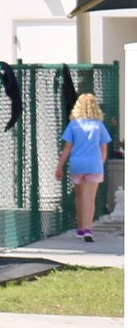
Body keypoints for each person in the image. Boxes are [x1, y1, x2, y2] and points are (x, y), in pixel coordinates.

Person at [59, 92, 115, 241]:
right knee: (90, 198)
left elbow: (67, 148)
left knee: (80, 197)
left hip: (77, 164)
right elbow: (104, 149)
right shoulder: (99, 126)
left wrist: (60, 166)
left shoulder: (74, 125)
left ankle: (80, 228)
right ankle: (88, 229)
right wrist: (99, 163)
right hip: (94, 164)